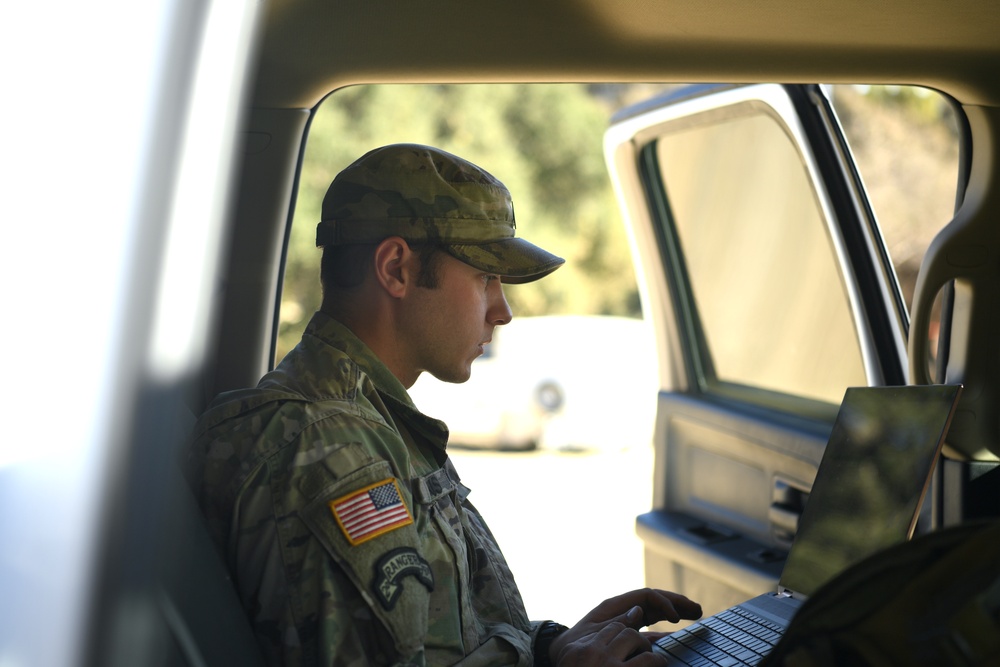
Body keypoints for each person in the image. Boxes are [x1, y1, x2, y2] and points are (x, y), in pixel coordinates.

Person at [185, 143, 702, 666]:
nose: (502, 311)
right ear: (396, 269)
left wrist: (548, 648)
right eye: (485, 277)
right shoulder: (323, 447)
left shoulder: (372, 424)